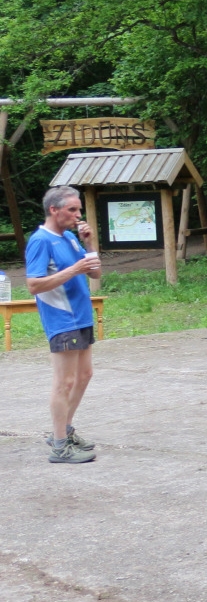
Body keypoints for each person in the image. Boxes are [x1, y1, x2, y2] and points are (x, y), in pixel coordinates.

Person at [25, 185, 102, 464]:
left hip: (81, 315)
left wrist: (90, 244)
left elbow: (94, 273)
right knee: (64, 381)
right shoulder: (41, 240)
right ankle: (59, 445)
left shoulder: (70, 238)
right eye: (72, 209)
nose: (78, 214)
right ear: (53, 210)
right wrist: (73, 270)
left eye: (79, 209)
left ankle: (65, 431)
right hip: (61, 318)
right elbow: (33, 284)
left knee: (84, 376)